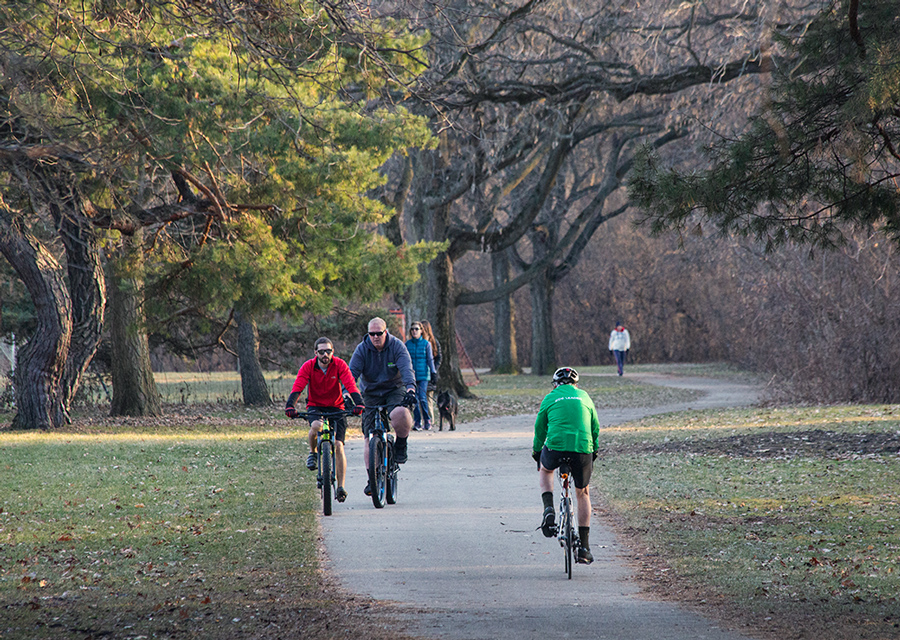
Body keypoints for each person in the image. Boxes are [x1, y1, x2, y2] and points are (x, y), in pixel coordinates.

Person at [532, 367, 600, 564]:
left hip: (556, 449)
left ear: (555, 384)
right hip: (582, 449)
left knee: (545, 470)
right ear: (576, 384)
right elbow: (594, 427)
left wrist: (537, 452)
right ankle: (584, 548)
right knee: (583, 492)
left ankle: (548, 510)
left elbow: (539, 429)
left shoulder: (550, 397)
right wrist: (593, 451)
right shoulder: (585, 396)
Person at [285, 337, 365, 504]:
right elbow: (298, 385)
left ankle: (341, 487)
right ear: (316, 353)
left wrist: (359, 403)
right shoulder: (308, 366)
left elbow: (350, 384)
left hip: (337, 407)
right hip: (316, 406)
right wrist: (290, 406)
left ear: (332, 352)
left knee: (338, 445)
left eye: (328, 351)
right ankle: (313, 452)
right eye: (321, 352)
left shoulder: (340, 365)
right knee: (316, 425)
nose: (325, 355)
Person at [348, 317, 417, 496]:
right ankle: (372, 478)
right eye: (372, 334)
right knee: (368, 436)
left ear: (386, 332)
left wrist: (410, 389)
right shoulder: (362, 349)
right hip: (371, 392)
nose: (376, 337)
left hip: (395, 388)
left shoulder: (397, 346)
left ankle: (401, 443)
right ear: (368, 334)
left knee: (400, 413)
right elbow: (351, 374)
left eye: (379, 333)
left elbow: (406, 368)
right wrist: (347, 393)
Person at [406, 322, 438, 430]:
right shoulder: (407, 344)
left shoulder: (426, 344)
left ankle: (427, 419)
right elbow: (405, 360)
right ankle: (417, 421)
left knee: (423, 398)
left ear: (421, 330)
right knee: (414, 399)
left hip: (424, 375)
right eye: (412, 329)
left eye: (416, 329)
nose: (414, 331)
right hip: (412, 376)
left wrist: (433, 373)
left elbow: (430, 359)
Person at [420, 320, 442, 422]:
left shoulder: (433, 342)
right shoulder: (419, 342)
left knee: (428, 398)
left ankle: (430, 420)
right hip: (421, 373)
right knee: (421, 398)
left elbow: (438, 358)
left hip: (430, 374)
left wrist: (434, 370)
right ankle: (422, 419)